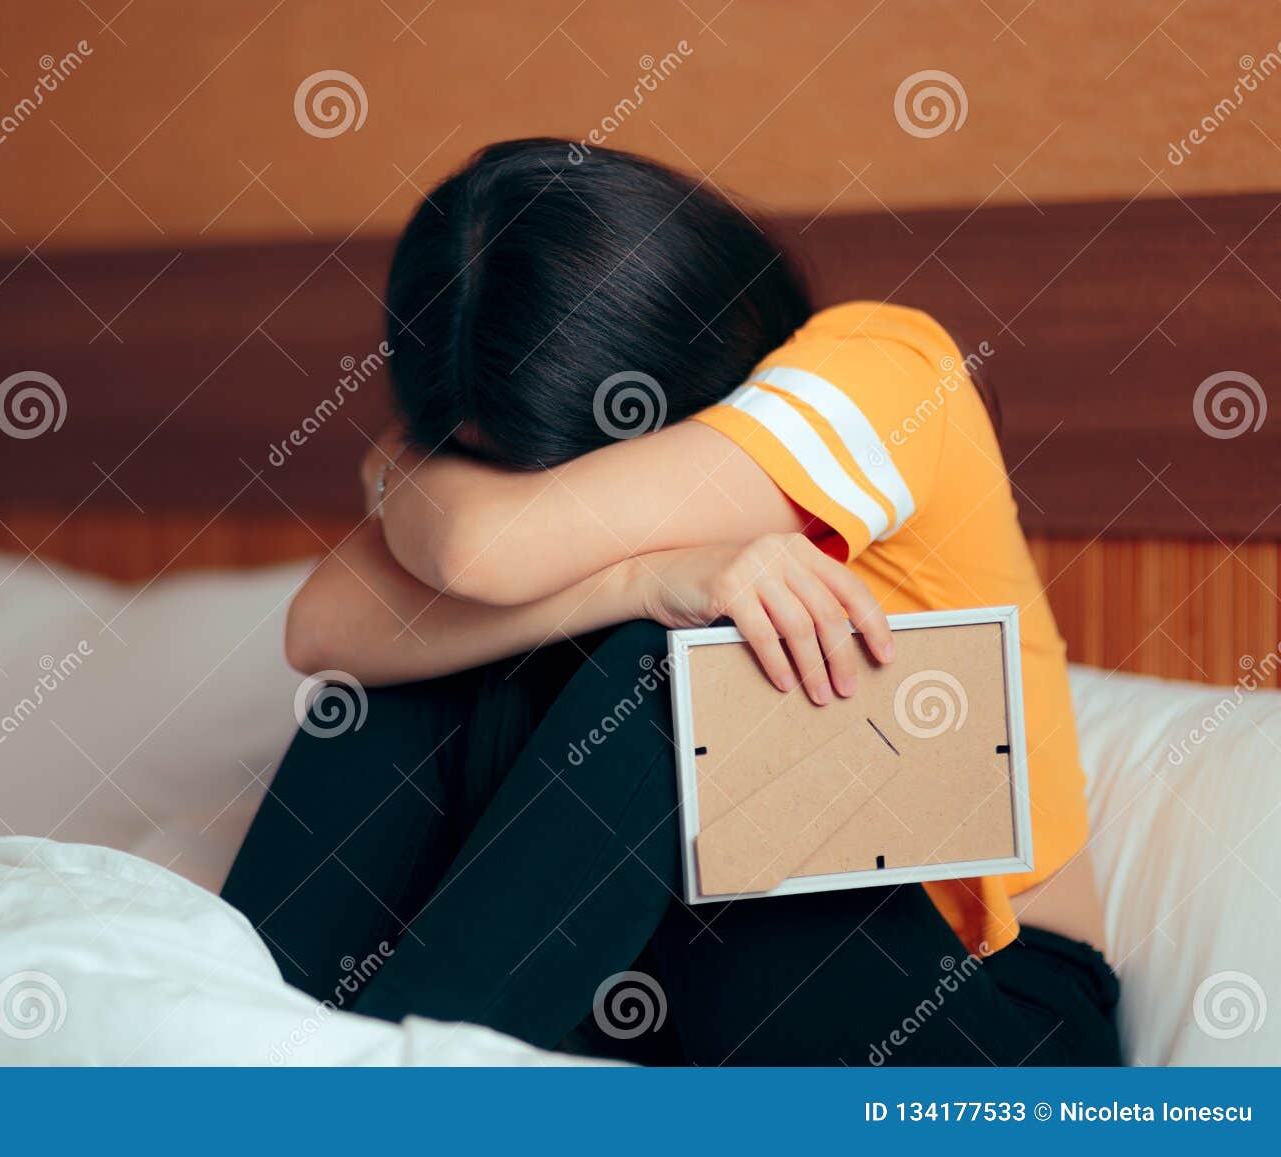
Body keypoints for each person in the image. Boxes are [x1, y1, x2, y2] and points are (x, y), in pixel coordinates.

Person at [221, 139, 1121, 1066]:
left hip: (985, 1015)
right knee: (435, 662)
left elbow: (478, 545)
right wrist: (629, 576)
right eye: (495, 469)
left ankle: (374, 1098)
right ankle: (233, 1027)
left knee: (693, 655)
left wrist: (400, 463)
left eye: (547, 471)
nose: (537, 497)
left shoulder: (887, 364)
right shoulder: (592, 534)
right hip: (670, 991)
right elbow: (321, 629)